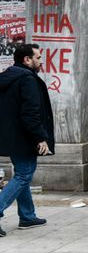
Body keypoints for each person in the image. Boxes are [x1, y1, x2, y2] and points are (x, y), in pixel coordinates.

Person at [0, 44, 54, 237]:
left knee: (22, 174)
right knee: (24, 175)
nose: (41, 61)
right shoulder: (27, 80)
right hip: (24, 136)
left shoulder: (7, 76)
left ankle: (27, 215)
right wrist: (40, 138)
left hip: (10, 136)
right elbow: (31, 113)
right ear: (27, 60)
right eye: (38, 57)